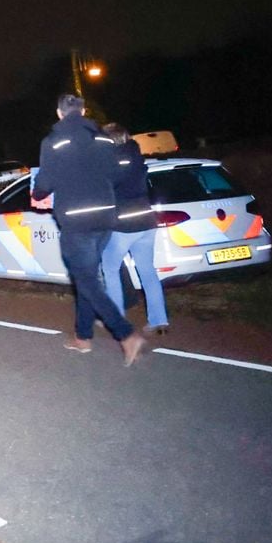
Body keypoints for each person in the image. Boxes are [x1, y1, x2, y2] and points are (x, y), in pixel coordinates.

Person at [30, 94, 145, 366]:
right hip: (105, 218)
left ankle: (126, 334)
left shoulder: (53, 142)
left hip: (76, 221)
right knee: (87, 277)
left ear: (59, 113)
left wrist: (38, 192)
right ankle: (83, 338)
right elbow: (116, 175)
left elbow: (44, 181)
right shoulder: (104, 140)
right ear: (83, 111)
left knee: (86, 280)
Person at [100, 123, 170, 336]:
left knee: (110, 269)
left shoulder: (110, 163)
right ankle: (159, 321)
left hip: (124, 225)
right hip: (147, 222)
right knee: (148, 271)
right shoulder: (138, 159)